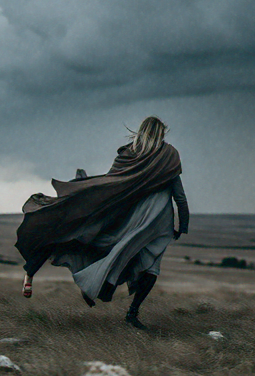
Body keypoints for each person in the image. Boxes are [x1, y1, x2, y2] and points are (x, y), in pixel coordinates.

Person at [15, 116, 189, 329]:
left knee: (91, 241)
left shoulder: (128, 154)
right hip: (155, 225)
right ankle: (130, 313)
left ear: (141, 132)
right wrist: (183, 225)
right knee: (150, 268)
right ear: (161, 133)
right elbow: (179, 196)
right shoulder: (168, 157)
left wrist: (86, 196)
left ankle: (38, 273)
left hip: (127, 219)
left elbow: (110, 185)